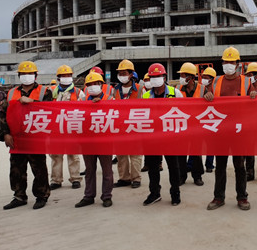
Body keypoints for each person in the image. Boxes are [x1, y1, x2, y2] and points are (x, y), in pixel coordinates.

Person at [0, 61, 51, 210]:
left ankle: (42, 195)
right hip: (17, 138)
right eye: (24, 74)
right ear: (19, 75)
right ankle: (19, 196)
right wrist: (5, 134)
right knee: (16, 169)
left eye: (30, 73)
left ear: (35, 75)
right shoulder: (11, 93)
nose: (27, 76)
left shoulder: (44, 92)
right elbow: (4, 114)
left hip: (35, 137)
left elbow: (50, 111)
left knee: (39, 168)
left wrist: (33, 101)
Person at [205, 47, 252, 211]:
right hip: (221, 130)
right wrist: (207, 96)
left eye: (231, 62)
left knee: (240, 165)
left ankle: (242, 197)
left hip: (239, 130)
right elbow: (207, 97)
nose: (228, 65)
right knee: (220, 165)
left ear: (238, 64)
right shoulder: (216, 81)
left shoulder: (246, 81)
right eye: (226, 62)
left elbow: (256, 99)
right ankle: (218, 197)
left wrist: (254, 95)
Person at [142, 63, 183, 206]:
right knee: (152, 167)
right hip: (152, 137)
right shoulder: (146, 95)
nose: (155, 79)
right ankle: (154, 193)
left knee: (173, 167)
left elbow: (184, 112)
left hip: (170, 136)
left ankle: (175, 193)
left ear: (164, 77)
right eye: (152, 77)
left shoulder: (175, 93)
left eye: (158, 76)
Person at [75, 72, 114, 208]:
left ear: (101, 85)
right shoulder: (83, 100)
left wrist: (101, 105)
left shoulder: (110, 99)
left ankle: (107, 196)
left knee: (107, 171)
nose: (92, 87)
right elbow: (77, 118)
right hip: (88, 141)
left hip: (105, 141)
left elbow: (116, 118)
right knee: (89, 170)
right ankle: (89, 196)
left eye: (95, 84)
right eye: (89, 84)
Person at [49, 64, 83, 190]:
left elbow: (85, 109)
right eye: (63, 76)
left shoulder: (78, 92)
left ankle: (75, 178)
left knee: (73, 155)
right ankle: (56, 180)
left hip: (72, 128)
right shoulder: (52, 92)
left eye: (68, 75)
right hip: (56, 129)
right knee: (55, 155)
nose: (66, 77)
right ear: (58, 78)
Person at [111, 60, 143, 189]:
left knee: (135, 155)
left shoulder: (140, 89)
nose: (121, 76)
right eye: (120, 73)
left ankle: (136, 178)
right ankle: (124, 178)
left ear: (131, 74)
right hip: (120, 126)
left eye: (124, 73)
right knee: (121, 155)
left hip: (135, 125)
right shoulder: (115, 90)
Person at [176, 62, 205, 186]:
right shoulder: (178, 89)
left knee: (196, 152)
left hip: (196, 126)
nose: (181, 78)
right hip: (182, 124)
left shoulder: (202, 89)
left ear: (191, 77)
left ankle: (197, 176)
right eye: (181, 75)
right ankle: (182, 176)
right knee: (181, 153)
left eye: (183, 75)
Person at [200, 67, 217, 174]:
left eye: (206, 78)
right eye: (203, 77)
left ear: (212, 79)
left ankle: (209, 165)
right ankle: (190, 164)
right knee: (196, 144)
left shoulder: (216, 89)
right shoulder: (200, 89)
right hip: (201, 118)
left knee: (210, 145)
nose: (204, 80)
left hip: (212, 120)